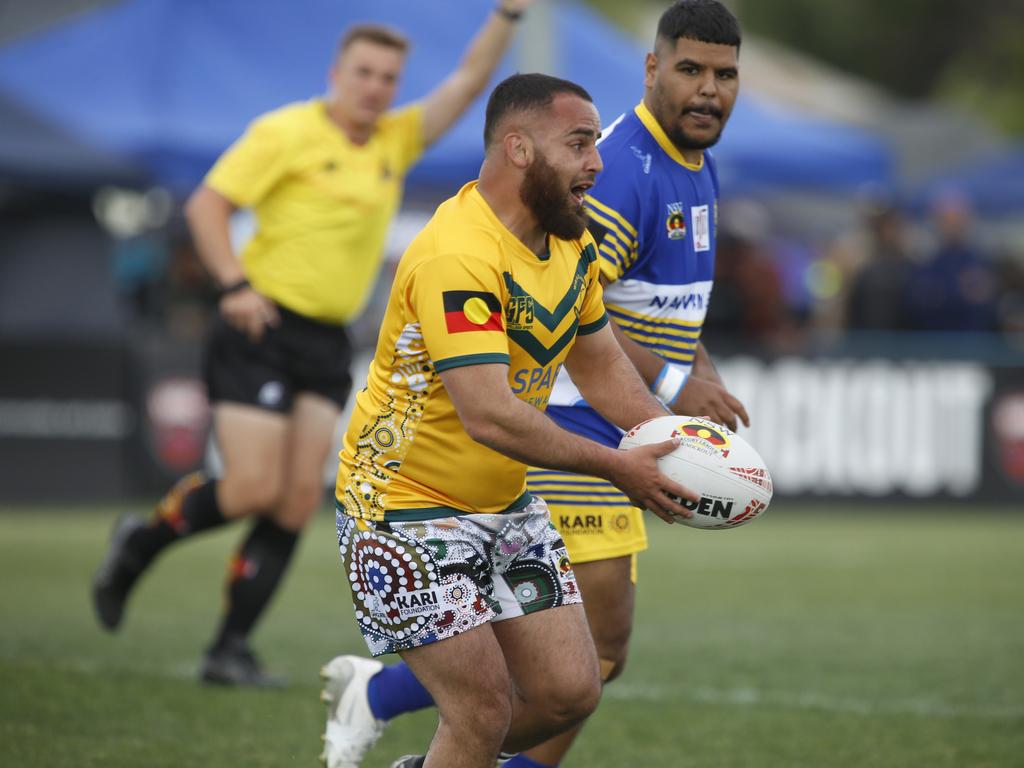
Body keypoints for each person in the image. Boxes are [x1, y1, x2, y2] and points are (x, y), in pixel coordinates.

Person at [319, 2, 750, 767]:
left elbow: (601, 365)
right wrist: (623, 465)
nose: (596, 162)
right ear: (518, 149)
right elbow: (490, 414)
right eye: (579, 145)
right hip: (404, 507)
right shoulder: (459, 256)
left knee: (571, 690)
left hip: (501, 499)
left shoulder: (567, 242)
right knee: (481, 714)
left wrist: (674, 445)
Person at [90, 0, 539, 687]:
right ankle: (141, 541)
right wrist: (233, 284)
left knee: (298, 497)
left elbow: (466, 84)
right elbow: (207, 206)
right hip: (259, 328)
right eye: (364, 72)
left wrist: (508, 13)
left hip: (326, 340)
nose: (376, 87)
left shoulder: (393, 139)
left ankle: (228, 649)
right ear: (336, 72)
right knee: (250, 488)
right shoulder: (286, 132)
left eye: (389, 77)